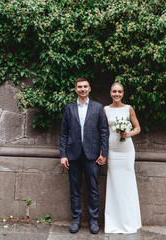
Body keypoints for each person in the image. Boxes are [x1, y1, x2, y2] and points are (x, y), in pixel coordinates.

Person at [60, 77, 109, 234]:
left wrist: (104, 153)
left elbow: (103, 131)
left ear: (89, 89)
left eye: (85, 87)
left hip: (92, 155)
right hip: (73, 155)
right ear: (76, 89)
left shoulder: (97, 107)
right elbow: (63, 133)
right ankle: (76, 219)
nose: (82, 89)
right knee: (74, 189)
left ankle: (93, 220)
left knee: (93, 188)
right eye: (79, 87)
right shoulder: (69, 108)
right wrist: (63, 154)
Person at [104, 82, 142, 234]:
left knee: (127, 183)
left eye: (119, 91)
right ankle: (113, 222)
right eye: (114, 91)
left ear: (123, 93)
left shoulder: (129, 108)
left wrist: (128, 134)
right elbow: (103, 131)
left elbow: (137, 128)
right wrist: (103, 151)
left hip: (126, 150)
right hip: (112, 150)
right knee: (113, 184)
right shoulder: (105, 110)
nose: (117, 94)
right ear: (110, 93)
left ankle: (129, 222)